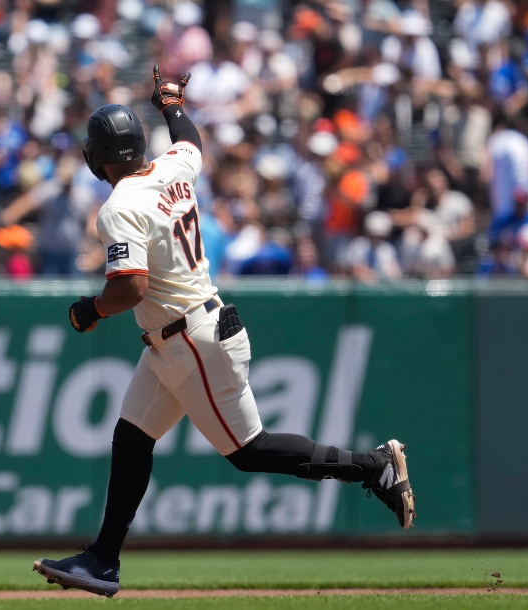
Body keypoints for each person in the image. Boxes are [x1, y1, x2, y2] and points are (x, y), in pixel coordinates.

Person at [32, 68, 415, 599]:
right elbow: (191, 140)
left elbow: (131, 288)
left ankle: (372, 467)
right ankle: (103, 559)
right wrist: (171, 104)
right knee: (131, 437)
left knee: (248, 451)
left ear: (97, 157)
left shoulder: (119, 207)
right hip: (179, 335)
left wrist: (90, 311)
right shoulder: (172, 169)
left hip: (190, 338)